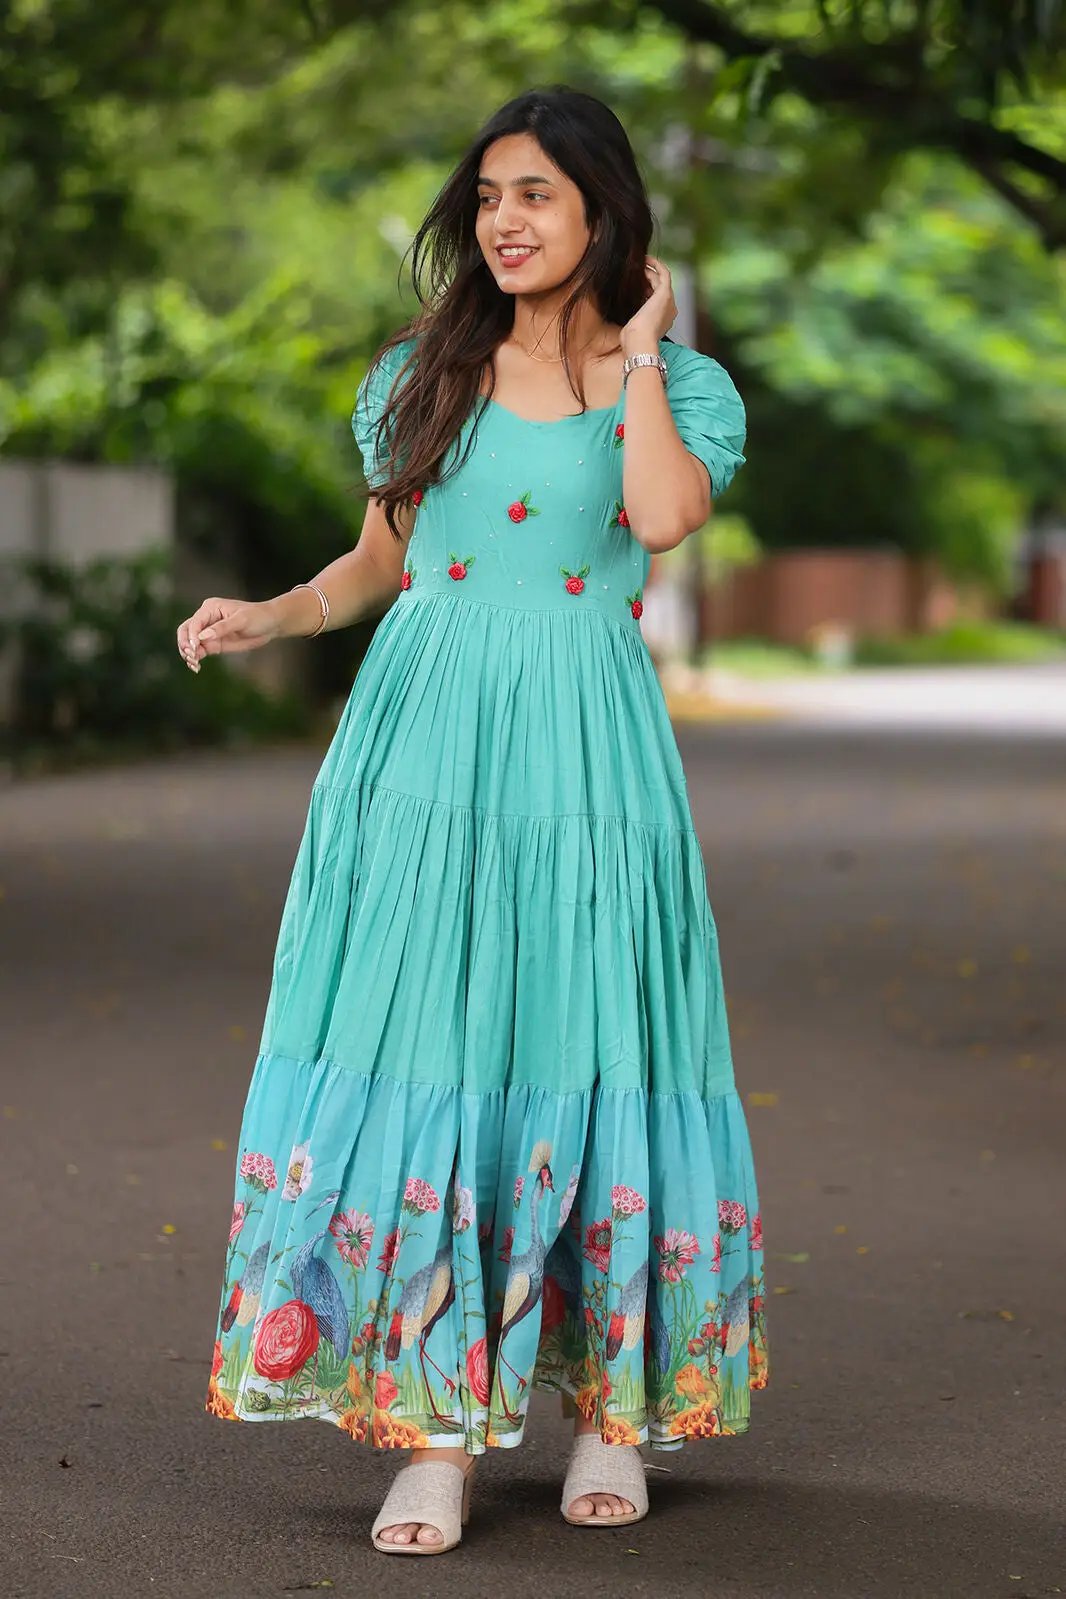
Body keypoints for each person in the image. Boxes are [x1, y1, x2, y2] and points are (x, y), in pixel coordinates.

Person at [178, 84, 770, 1558]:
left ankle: (611, 1420)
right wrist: (277, 614)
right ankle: (430, 1433)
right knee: (426, 1045)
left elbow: (668, 517)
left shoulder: (679, 389)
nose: (505, 221)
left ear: (603, 218)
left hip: (585, 758)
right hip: (424, 748)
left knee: (592, 1042)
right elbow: (379, 557)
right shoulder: (416, 376)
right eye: (490, 196)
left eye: (539, 198)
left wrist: (636, 354)